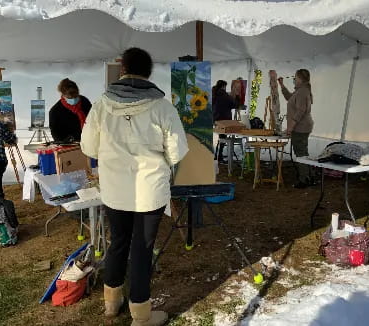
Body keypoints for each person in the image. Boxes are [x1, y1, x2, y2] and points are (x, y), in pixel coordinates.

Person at [81, 47, 188, 325]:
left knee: (118, 243)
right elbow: (177, 152)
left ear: (123, 68)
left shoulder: (102, 104)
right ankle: (140, 316)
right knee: (141, 250)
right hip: (149, 191)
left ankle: (111, 303)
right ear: (149, 72)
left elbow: (89, 146)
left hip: (115, 190)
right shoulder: (162, 106)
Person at [278, 69, 314, 188]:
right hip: (301, 127)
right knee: (302, 152)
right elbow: (289, 97)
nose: (294, 79)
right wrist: (282, 85)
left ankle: (304, 180)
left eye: (295, 78)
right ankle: (308, 176)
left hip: (301, 128)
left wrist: (290, 127)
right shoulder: (300, 91)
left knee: (301, 154)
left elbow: (300, 111)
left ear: (300, 79)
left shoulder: (303, 91)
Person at [49, 78, 92, 142]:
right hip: (69, 146)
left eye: (76, 96)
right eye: (70, 98)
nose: (74, 99)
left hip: (88, 140)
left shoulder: (85, 102)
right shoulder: (55, 111)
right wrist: (65, 141)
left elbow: (93, 119)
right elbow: (55, 133)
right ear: (63, 95)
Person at [212, 80, 236, 161]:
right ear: (223, 86)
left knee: (221, 137)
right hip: (224, 120)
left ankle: (218, 155)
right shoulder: (224, 95)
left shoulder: (214, 93)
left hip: (216, 119)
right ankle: (219, 156)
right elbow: (234, 105)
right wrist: (235, 97)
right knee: (223, 138)